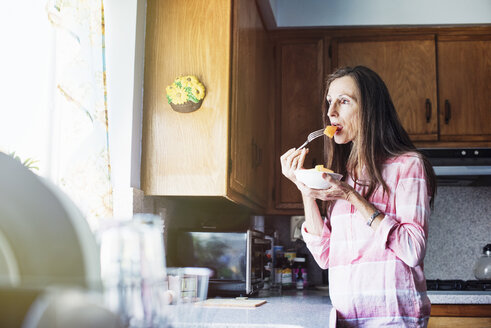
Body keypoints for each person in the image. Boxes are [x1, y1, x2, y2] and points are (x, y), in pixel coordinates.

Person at [280, 66, 436, 327]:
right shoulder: (343, 175)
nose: (330, 113)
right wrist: (304, 189)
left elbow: (412, 250)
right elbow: (325, 257)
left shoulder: (408, 165)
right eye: (329, 102)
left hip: (393, 321)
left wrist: (353, 197)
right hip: (347, 321)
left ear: (369, 110)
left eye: (343, 101)